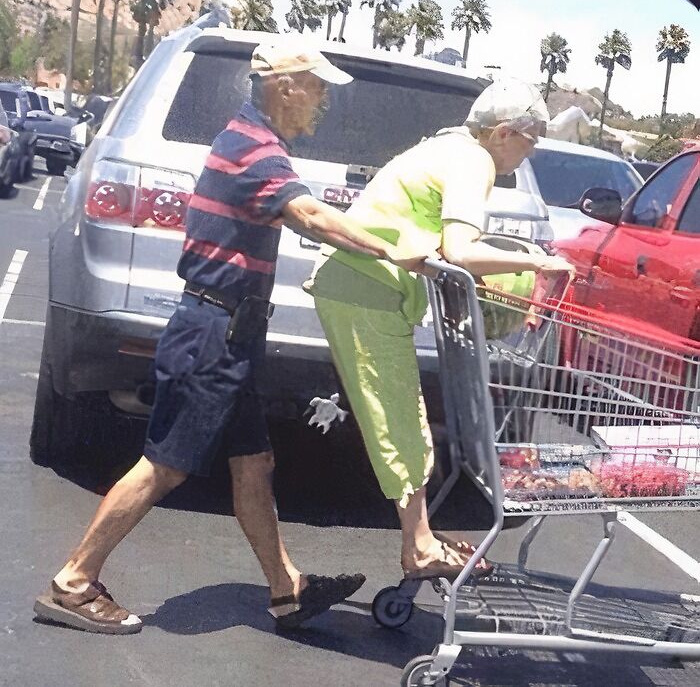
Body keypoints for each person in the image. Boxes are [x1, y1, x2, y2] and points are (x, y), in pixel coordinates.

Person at [34, 42, 421, 635]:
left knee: (254, 463)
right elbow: (312, 217)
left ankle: (285, 589)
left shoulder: (252, 140)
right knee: (164, 465)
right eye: (317, 86)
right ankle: (74, 582)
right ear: (285, 84)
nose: (323, 99)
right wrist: (390, 248)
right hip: (212, 333)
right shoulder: (256, 149)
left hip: (230, 334)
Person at [308, 78, 575, 581]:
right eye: (530, 138)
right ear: (502, 133)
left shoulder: (447, 146)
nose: (530, 150)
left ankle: (422, 536)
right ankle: (420, 547)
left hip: (361, 284)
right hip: (364, 288)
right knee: (398, 417)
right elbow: (461, 251)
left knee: (403, 413)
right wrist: (539, 261)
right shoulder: (473, 161)